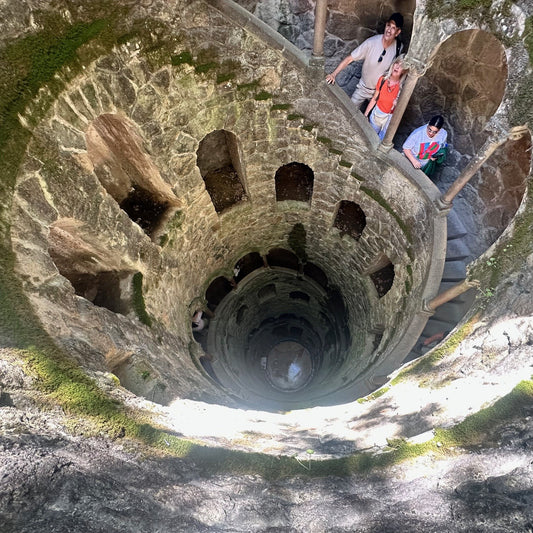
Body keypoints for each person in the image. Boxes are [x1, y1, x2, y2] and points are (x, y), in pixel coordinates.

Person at [325, 13, 404, 108]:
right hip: (363, 89)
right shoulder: (371, 43)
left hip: (379, 93)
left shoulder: (398, 47)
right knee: (350, 111)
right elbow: (350, 58)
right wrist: (334, 74)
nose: (389, 30)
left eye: (393, 28)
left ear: (397, 32)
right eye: (388, 26)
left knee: (372, 120)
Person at [364, 56, 408, 140]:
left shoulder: (402, 87)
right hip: (377, 114)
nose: (397, 67)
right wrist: (365, 115)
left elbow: (401, 109)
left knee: (381, 140)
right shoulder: (383, 80)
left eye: (401, 66)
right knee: (370, 137)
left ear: (404, 71)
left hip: (389, 118)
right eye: (396, 63)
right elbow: (374, 98)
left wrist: (397, 105)